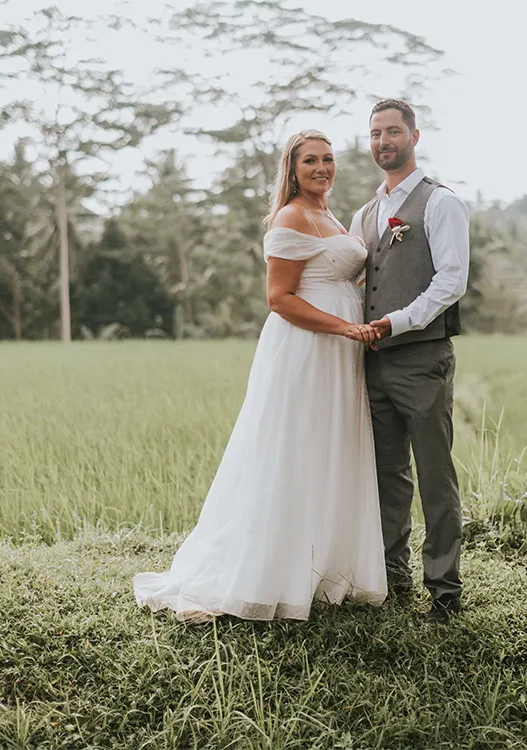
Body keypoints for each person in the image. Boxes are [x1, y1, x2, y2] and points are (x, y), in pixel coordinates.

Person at [133, 130, 388, 623]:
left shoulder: (331, 215)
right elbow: (280, 299)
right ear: (291, 170)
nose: (321, 167)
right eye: (310, 160)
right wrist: (346, 327)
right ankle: (273, 572)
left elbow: (338, 274)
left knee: (329, 448)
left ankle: (324, 566)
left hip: (341, 352)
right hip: (308, 349)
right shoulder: (292, 215)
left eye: (328, 159)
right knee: (294, 450)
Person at [349, 99, 470, 624]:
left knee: (435, 476)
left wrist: (396, 322)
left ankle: (443, 590)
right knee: (385, 475)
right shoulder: (364, 214)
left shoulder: (440, 203)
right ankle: (392, 581)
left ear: (414, 137)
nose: (383, 141)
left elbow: (451, 280)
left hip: (422, 359)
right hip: (372, 365)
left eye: (393, 131)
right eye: (376, 133)